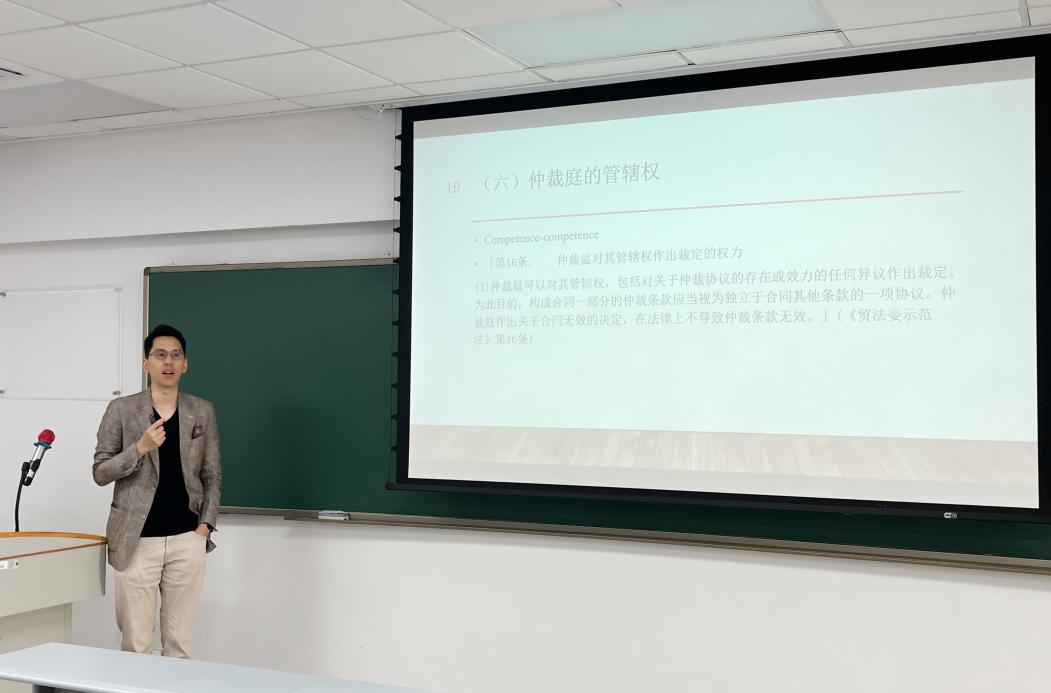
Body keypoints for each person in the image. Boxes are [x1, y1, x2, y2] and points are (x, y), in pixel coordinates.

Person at [93, 324, 221, 658]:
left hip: (187, 539)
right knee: (136, 645)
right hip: (136, 540)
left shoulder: (202, 410)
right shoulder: (121, 409)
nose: (168, 361)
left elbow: (211, 473)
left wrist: (204, 526)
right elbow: (100, 472)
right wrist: (139, 448)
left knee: (179, 644)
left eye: (175, 355)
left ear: (185, 364)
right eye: (160, 354)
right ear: (146, 363)